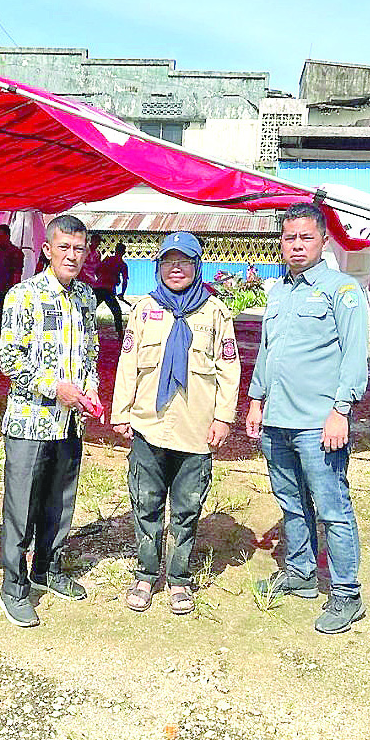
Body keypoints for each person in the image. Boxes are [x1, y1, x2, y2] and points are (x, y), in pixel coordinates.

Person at [245, 202, 369, 635]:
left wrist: (341, 410)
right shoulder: (278, 291)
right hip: (277, 420)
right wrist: (256, 400)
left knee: (333, 509)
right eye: (289, 237)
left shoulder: (342, 290)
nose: (296, 245)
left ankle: (346, 593)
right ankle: (299, 573)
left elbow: (355, 355)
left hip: (319, 422)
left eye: (305, 238)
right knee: (291, 503)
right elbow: (267, 351)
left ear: (322, 241)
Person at [111, 232, 241, 614]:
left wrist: (223, 418)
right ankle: (147, 574)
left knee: (186, 508)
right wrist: (121, 412)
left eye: (184, 261)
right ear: (158, 267)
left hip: (196, 429)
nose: (176, 268)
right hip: (149, 425)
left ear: (197, 266)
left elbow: (229, 369)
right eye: (168, 261)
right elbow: (128, 363)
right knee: (146, 503)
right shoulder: (144, 308)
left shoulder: (214, 312)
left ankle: (180, 579)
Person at [0, 214, 100, 627]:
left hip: (69, 424)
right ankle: (13, 586)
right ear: (47, 250)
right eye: (64, 248)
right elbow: (9, 359)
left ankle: (47, 569)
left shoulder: (86, 298)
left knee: (60, 502)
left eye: (79, 248)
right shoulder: (24, 296)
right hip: (30, 421)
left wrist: (90, 389)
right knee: (21, 506)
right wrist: (54, 387)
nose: (72, 256)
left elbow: (90, 354)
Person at [94, 242, 128, 339]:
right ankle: (120, 334)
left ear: (115, 250)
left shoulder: (107, 260)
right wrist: (122, 293)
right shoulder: (122, 264)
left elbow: (96, 271)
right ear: (124, 252)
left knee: (91, 310)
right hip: (107, 289)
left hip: (98, 288)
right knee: (117, 312)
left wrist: (102, 278)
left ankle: (86, 328)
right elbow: (125, 281)